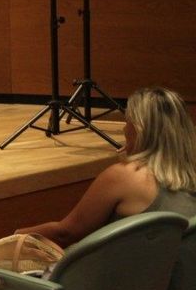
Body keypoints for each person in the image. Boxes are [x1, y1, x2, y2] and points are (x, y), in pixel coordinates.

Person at [19, 86, 196, 247]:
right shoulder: (190, 175)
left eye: (127, 122)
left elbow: (65, 233)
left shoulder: (125, 176)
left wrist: (15, 236)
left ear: (139, 129)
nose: (124, 130)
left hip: (128, 279)